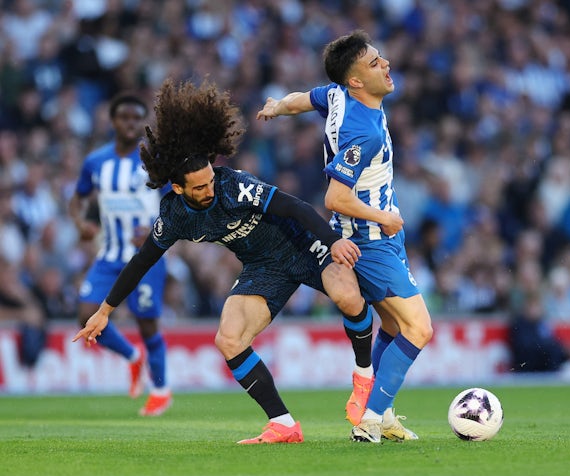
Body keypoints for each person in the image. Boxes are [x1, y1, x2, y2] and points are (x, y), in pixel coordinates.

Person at [73, 78, 373, 444]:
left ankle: (363, 375)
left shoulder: (234, 186)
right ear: (178, 188)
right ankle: (283, 424)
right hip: (263, 268)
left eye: (210, 180)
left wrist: (332, 241)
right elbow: (141, 262)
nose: (209, 190)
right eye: (199, 187)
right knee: (228, 339)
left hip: (305, 246)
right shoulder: (174, 216)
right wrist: (104, 311)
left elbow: (295, 207)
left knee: (347, 296)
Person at [257, 30, 434, 443]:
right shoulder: (363, 131)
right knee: (419, 328)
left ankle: (380, 412)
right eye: (374, 64)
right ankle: (370, 419)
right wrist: (384, 218)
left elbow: (307, 97)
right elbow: (335, 197)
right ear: (355, 80)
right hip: (370, 239)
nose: (386, 65)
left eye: (381, 58)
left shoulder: (337, 95)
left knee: (391, 323)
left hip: (379, 235)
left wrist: (278, 107)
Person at [69, 92, 171, 416]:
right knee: (86, 314)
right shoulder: (96, 161)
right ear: (113, 121)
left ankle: (160, 391)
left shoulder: (154, 161)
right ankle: (132, 357)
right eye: (124, 117)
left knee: (147, 325)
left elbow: (177, 205)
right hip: (109, 254)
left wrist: (156, 227)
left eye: (136, 117)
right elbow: (77, 199)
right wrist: (80, 222)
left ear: (142, 123)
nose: (130, 123)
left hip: (145, 257)